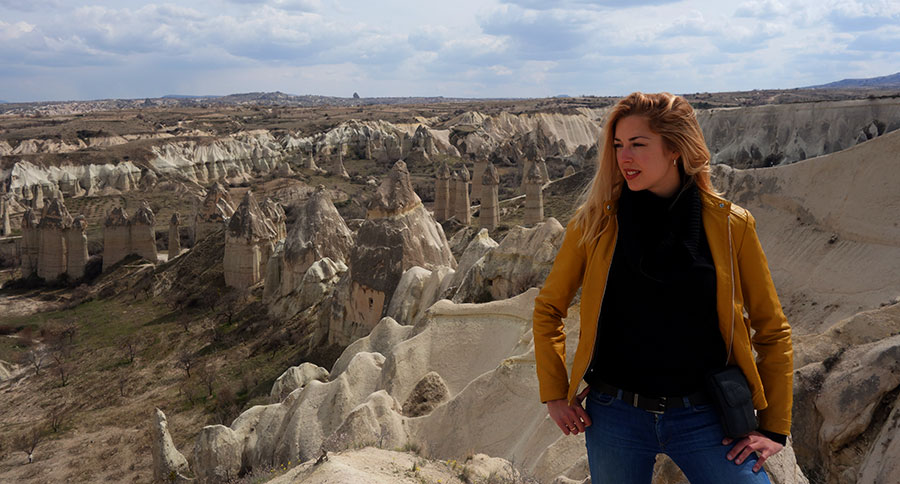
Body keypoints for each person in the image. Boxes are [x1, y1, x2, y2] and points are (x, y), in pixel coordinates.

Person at [532, 92, 793, 483]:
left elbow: (771, 327)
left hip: (706, 417)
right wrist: (554, 394)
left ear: (675, 149)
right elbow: (549, 308)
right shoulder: (594, 226)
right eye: (618, 145)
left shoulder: (730, 226)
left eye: (638, 144)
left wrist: (774, 427)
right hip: (616, 413)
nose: (624, 157)